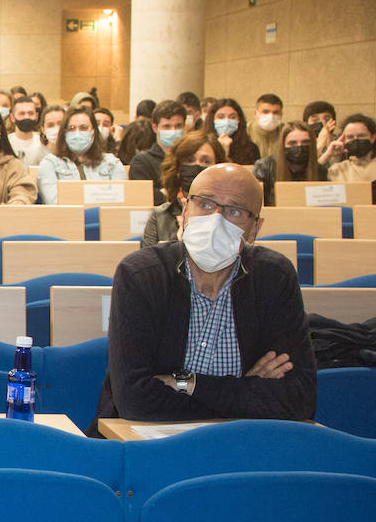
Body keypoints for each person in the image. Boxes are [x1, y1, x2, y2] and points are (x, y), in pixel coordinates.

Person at [94, 162, 316, 430]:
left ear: (255, 229)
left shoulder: (275, 277)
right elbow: (135, 400)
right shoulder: (141, 275)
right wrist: (246, 392)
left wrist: (185, 383)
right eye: (206, 205)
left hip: (241, 443)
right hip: (144, 441)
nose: (216, 220)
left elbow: (299, 400)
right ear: (185, 211)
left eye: (234, 211)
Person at [142, 133, 224, 246]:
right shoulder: (160, 216)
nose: (197, 166)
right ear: (178, 169)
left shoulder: (227, 215)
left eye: (206, 161)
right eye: (190, 160)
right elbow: (148, 261)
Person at [35, 107, 127, 205]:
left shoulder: (112, 163)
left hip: (106, 218)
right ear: (64, 133)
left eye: (83, 128)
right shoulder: (50, 163)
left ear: (93, 132)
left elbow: (120, 202)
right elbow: (55, 202)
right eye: (71, 128)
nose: (77, 133)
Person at [319, 113, 376, 182]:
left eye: (362, 136)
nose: (356, 140)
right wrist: (327, 154)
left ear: (373, 137)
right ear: (344, 140)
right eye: (350, 137)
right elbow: (310, 186)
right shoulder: (338, 169)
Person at [127, 100, 187, 206]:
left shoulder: (192, 158)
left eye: (178, 126)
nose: (173, 131)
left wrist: (164, 192)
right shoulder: (142, 161)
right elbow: (144, 197)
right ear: (155, 128)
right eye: (167, 126)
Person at [252, 121, 321, 206]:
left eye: (305, 142)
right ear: (283, 145)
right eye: (292, 143)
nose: (299, 147)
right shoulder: (264, 167)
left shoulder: (321, 170)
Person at [207, 98, 259, 166]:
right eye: (221, 117)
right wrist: (221, 151)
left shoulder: (251, 148)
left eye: (232, 117)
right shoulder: (204, 145)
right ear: (212, 120)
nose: (227, 121)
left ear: (239, 120)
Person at [246, 93, 285, 162]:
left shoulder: (286, 132)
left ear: (281, 114)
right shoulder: (245, 131)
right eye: (265, 112)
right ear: (256, 113)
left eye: (276, 112)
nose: (271, 116)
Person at [8, 95, 46, 166]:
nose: (27, 117)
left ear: (36, 116)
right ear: (12, 117)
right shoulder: (6, 143)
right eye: (22, 113)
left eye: (31, 113)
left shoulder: (43, 143)